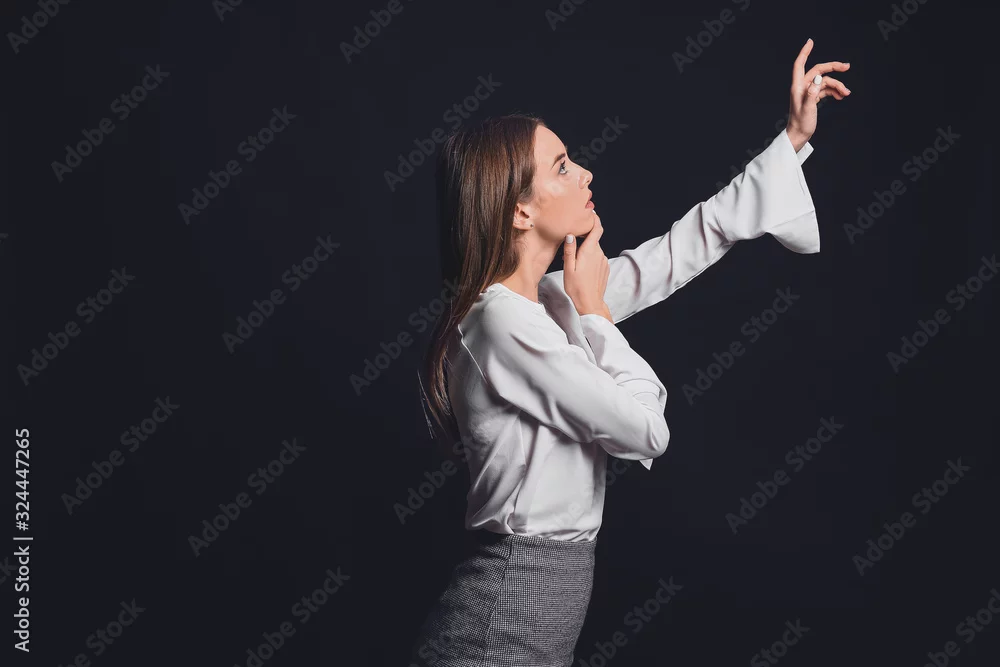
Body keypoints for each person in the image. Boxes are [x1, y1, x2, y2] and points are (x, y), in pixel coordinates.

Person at [411, 39, 850, 667]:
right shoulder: (502, 323)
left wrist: (791, 140)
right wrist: (594, 312)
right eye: (562, 166)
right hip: (500, 625)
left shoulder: (546, 300)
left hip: (529, 614)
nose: (586, 174)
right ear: (519, 210)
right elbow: (645, 431)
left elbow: (673, 254)